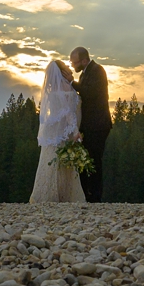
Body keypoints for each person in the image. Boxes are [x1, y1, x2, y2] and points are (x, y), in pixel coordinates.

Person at [27, 57, 86, 205]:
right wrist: (74, 132)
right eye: (65, 66)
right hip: (63, 130)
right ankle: (63, 196)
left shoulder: (52, 90)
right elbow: (68, 113)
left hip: (53, 131)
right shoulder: (66, 88)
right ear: (61, 71)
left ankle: (45, 195)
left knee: (51, 161)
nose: (68, 66)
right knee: (62, 162)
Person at [70, 46, 110, 203]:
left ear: (84, 60)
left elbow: (90, 92)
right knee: (86, 160)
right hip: (89, 125)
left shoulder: (98, 71)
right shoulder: (86, 74)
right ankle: (88, 195)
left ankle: (96, 197)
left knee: (94, 160)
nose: (73, 66)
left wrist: (71, 82)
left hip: (98, 125)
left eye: (75, 62)